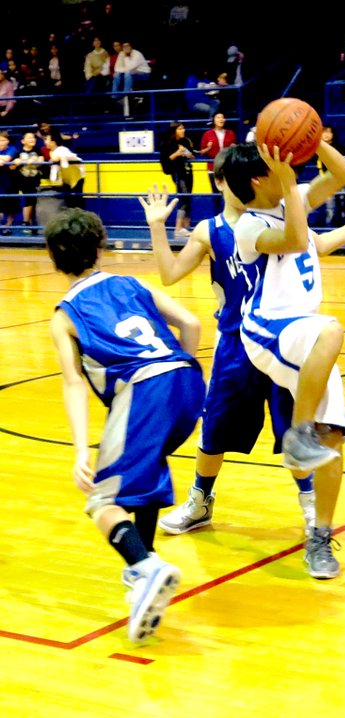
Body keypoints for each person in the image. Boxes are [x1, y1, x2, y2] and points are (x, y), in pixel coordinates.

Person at [142, 137, 345, 537]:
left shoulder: (282, 209)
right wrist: (156, 228)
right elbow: (170, 275)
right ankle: (200, 500)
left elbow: (339, 179)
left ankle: (310, 505)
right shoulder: (213, 230)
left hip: (284, 336)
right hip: (236, 341)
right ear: (221, 182)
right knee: (216, 429)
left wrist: (314, 141)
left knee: (290, 426)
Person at [47, 208, 205, 643]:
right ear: (101, 248)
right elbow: (190, 323)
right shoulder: (131, 282)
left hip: (142, 391)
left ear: (53, 258)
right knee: (148, 472)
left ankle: (146, 567)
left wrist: (82, 451)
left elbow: (74, 383)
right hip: (187, 381)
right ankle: (144, 572)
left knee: (102, 501)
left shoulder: (64, 316)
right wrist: (185, 372)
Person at [224, 142, 345, 579]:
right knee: (331, 329)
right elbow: (294, 237)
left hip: (304, 336)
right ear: (260, 179)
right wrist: (294, 187)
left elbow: (342, 176)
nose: (289, 168)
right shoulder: (250, 224)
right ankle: (298, 433)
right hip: (267, 329)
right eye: (279, 166)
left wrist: (314, 140)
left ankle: (320, 536)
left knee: (334, 436)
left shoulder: (292, 201)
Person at [159, 122, 194, 237]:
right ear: (174, 131)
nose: (183, 131)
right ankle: (178, 228)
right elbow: (165, 161)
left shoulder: (186, 141)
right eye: (180, 129)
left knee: (188, 198)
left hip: (188, 172)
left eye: (183, 128)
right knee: (183, 198)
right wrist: (177, 153)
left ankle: (186, 227)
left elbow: (192, 156)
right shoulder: (167, 144)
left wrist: (186, 152)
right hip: (178, 173)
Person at [10, 130, 44, 234]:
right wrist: (16, 163)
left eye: (33, 137)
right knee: (28, 199)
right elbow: (11, 167)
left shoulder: (38, 150)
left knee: (33, 201)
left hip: (35, 179)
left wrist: (35, 160)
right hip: (22, 180)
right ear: (23, 141)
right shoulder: (18, 152)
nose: (32, 139)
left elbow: (42, 161)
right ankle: (25, 222)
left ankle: (30, 222)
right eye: (29, 138)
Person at [198, 112, 236, 203]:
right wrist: (208, 148)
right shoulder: (207, 134)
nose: (221, 119)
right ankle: (217, 214)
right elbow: (202, 152)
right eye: (218, 117)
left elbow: (235, 149)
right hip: (212, 166)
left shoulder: (230, 133)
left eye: (222, 117)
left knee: (228, 192)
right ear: (214, 120)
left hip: (227, 165)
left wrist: (233, 147)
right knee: (216, 193)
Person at [45, 132, 85, 210]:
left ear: (53, 142)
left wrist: (59, 158)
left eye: (47, 140)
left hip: (77, 176)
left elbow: (65, 157)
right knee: (69, 202)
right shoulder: (52, 152)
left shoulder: (62, 149)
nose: (45, 142)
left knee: (77, 201)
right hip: (66, 179)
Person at [0, 131, 18, 235]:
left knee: (11, 202)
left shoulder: (12, 148)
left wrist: (3, 159)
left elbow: (7, 159)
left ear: (8, 141)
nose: (1, 142)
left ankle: (9, 225)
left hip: (10, 178)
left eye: (3, 140)